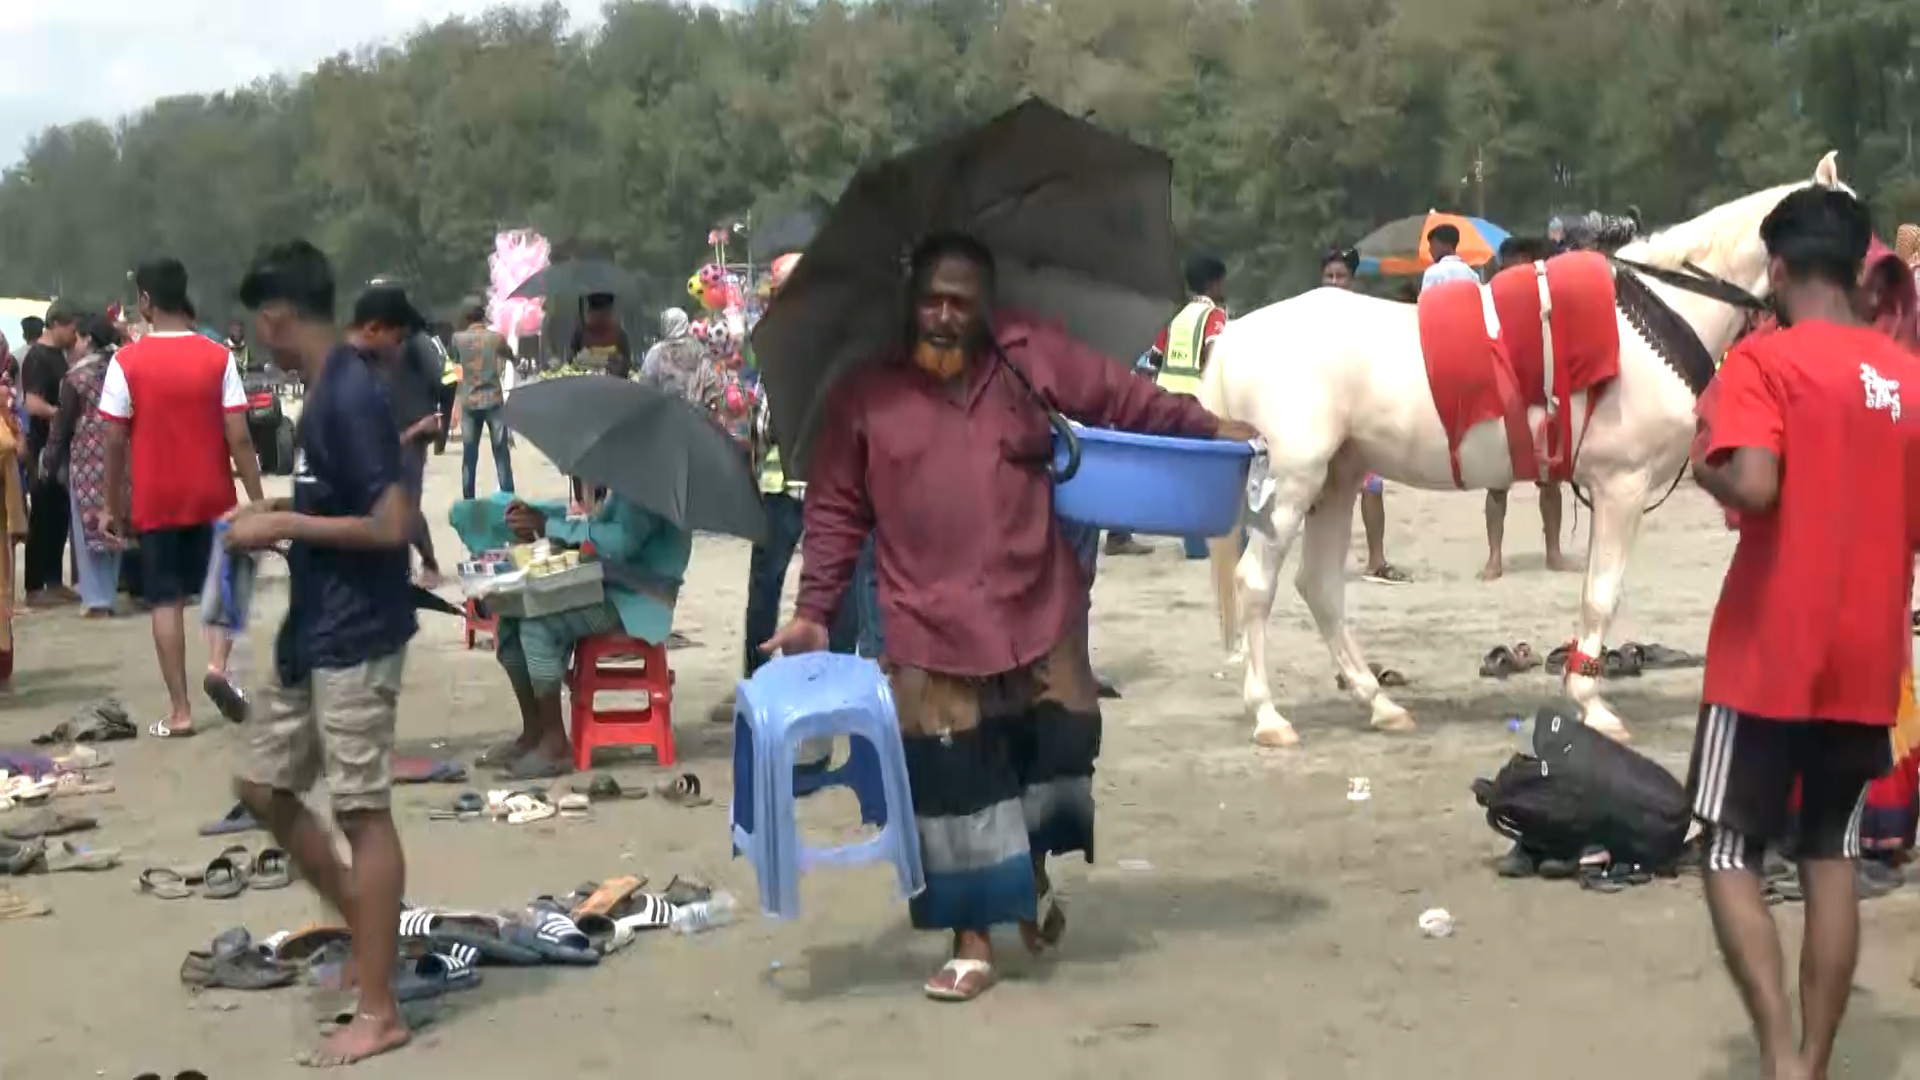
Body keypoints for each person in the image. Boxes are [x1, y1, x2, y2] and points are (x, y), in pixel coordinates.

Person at [763, 233, 1253, 1003]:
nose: (946, 317)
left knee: (1055, 747)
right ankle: (972, 939)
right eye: (933, 299)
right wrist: (813, 612)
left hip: (1036, 599)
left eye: (962, 302)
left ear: (987, 306)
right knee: (956, 777)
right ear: (909, 301)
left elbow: (1123, 398)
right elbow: (833, 514)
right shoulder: (865, 394)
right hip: (927, 618)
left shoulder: (1028, 356)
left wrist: (1206, 426)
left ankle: (1024, 872)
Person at [1684, 187, 1920, 1080]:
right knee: (1833, 850)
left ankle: (1779, 1051)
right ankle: (1816, 1063)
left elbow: (1752, 484)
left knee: (1730, 847)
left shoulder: (1762, 363)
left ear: (1776, 273)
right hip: (1867, 659)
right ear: (1859, 269)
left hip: (1767, 657)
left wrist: (1700, 459)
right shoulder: (1906, 375)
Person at [229, 239, 416, 1068]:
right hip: (312, 631)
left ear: (275, 316)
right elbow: (338, 510)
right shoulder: (318, 397)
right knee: (262, 785)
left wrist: (284, 525)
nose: (256, 336)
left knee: (362, 811)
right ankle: (368, 930)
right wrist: (272, 518)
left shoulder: (347, 395)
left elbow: (392, 525)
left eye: (255, 322)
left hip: (359, 636)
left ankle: (380, 1008)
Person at [101, 259, 265, 736]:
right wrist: (256, 499)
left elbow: (113, 441)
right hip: (215, 496)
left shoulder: (126, 361)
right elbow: (238, 436)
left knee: (165, 602)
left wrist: (111, 504)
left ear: (147, 301)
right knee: (222, 588)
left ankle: (181, 712)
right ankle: (217, 666)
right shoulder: (218, 357)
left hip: (156, 499)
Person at [469, 490, 693, 780]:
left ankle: (555, 743)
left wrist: (548, 525)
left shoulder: (652, 486)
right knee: (511, 618)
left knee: (539, 624)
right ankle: (534, 730)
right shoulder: (632, 477)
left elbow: (619, 542)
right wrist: (543, 517)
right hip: (608, 581)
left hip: (633, 600)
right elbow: (601, 528)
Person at [1123, 253, 1232, 558]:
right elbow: (1215, 356)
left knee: (1176, 471)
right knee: (1207, 474)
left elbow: (1153, 358)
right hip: (1198, 402)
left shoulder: (1178, 317)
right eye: (1222, 280)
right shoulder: (1215, 317)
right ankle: (1210, 544)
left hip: (1166, 401)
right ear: (1213, 283)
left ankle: (1129, 532)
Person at [1480, 237, 1575, 580]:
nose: (1515, 268)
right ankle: (1494, 557)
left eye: (1520, 262)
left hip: (1541, 393)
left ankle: (1553, 551)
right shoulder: (1489, 297)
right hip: (1504, 396)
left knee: (1550, 481)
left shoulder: (1547, 296)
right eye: (1510, 262)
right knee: (1496, 482)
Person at [1321, 247, 1411, 584]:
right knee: (1320, 492)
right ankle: (1324, 563)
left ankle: (1376, 560)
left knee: (1371, 487)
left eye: (1340, 276)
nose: (1334, 282)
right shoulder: (1308, 317)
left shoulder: (1366, 318)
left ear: (1351, 281)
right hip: (1322, 418)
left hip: (1360, 418)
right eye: (1328, 275)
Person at [41, 313, 125, 617]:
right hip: (122, 455)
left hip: (87, 460)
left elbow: (61, 426)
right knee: (114, 520)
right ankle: (110, 593)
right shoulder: (123, 368)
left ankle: (97, 599)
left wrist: (49, 462)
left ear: (88, 339)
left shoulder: (76, 376)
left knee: (87, 528)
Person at [361, 283, 445, 587]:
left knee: (406, 503)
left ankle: (430, 564)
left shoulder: (418, 340)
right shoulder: (375, 344)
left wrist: (436, 417)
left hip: (414, 430)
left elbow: (445, 378)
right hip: (385, 431)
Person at [20, 302, 79, 605]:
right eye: (71, 327)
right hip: (42, 447)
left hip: (60, 447)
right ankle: (34, 587)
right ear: (55, 324)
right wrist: (62, 415)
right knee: (42, 516)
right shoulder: (37, 358)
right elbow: (32, 403)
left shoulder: (59, 356)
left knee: (59, 515)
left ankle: (54, 581)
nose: (74, 333)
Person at [450, 300, 516, 501]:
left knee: (470, 454)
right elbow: (511, 357)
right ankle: (507, 498)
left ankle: (468, 499)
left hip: (469, 402)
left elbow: (454, 371)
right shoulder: (496, 338)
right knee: (501, 453)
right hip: (494, 402)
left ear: (466, 317)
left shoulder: (457, 339)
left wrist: (453, 403)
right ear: (483, 316)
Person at [640, 308, 723, 411]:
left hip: (664, 417)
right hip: (695, 417)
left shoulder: (657, 352)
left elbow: (645, 386)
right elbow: (711, 386)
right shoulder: (700, 351)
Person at [569, 293, 633, 378]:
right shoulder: (580, 334)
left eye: (605, 313)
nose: (599, 318)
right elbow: (571, 365)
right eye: (595, 313)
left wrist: (619, 368)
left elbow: (627, 367)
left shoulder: (619, 335)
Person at [1421, 224, 1481, 292]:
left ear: (1447, 245)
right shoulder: (1472, 274)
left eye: (1433, 244)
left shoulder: (1433, 272)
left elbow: (1426, 301)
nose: (1430, 249)